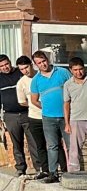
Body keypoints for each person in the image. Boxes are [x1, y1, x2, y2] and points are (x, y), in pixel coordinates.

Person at [29, 50, 71, 183]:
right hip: (48, 118)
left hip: (66, 117)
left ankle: (72, 172)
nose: (43, 64)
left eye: (44, 61)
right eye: (39, 63)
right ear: (36, 65)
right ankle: (53, 173)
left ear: (47, 59)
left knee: (70, 145)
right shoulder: (36, 80)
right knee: (52, 146)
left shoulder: (63, 72)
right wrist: (46, 108)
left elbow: (73, 88)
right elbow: (34, 100)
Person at [15, 55, 49, 180]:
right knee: (38, 144)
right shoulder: (21, 83)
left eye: (27, 67)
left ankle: (58, 168)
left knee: (53, 143)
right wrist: (33, 104)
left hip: (51, 114)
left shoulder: (42, 75)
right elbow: (22, 102)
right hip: (34, 116)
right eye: (22, 69)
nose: (25, 71)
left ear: (31, 64)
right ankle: (42, 169)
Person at [0, 54, 31, 177]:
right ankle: (20, 168)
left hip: (27, 113)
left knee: (34, 141)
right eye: (1, 66)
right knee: (16, 143)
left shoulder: (21, 73)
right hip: (10, 115)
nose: (5, 67)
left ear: (10, 62)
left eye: (6, 64)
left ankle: (40, 168)